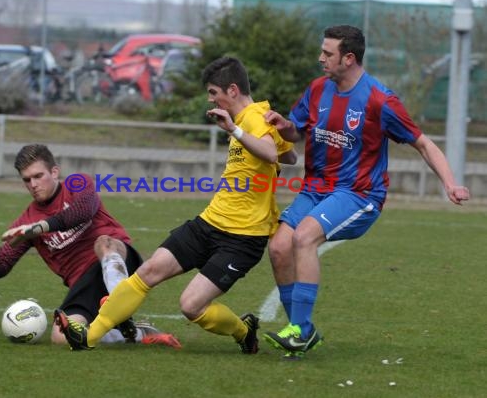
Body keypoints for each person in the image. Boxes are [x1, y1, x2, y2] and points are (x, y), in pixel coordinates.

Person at [55, 56, 297, 353]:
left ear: (232, 90)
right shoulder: (255, 120)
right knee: (149, 271)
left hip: (243, 238)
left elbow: (271, 155)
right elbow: (288, 156)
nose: (210, 98)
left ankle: (244, 330)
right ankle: (88, 337)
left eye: (213, 92)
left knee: (191, 305)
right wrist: (271, 139)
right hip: (209, 223)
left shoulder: (253, 118)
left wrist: (236, 131)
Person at [262, 24, 470, 360]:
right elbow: (297, 129)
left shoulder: (379, 100)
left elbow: (423, 143)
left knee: (303, 238)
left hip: (358, 194)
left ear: (349, 58)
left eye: (327, 53)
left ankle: (301, 331)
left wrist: (450, 182)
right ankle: (300, 328)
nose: (321, 58)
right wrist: (282, 125)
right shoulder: (317, 90)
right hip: (316, 188)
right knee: (279, 247)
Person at [0, 144, 180, 348]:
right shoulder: (27, 222)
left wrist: (41, 227)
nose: (33, 184)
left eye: (38, 176)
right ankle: (135, 333)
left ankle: (118, 302)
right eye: (27, 180)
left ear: (54, 172)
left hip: (119, 261)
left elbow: (83, 210)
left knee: (103, 243)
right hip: (85, 284)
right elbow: (3, 264)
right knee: (62, 336)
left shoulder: (77, 183)